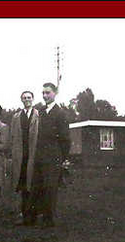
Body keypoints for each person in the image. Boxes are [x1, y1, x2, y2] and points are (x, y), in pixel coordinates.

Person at [25, 83, 70, 228]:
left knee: (50, 188)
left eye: (48, 93)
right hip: (39, 156)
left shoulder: (60, 113)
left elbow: (65, 139)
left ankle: (48, 220)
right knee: (36, 186)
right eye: (43, 93)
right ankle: (31, 218)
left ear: (55, 93)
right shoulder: (40, 112)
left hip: (53, 157)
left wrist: (63, 158)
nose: (45, 96)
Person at [9, 90, 40, 225]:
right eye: (24, 98)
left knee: (33, 185)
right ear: (21, 100)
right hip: (20, 156)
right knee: (22, 185)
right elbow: (12, 137)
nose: (27, 100)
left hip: (33, 154)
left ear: (33, 99)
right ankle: (22, 214)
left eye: (29, 97)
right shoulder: (16, 117)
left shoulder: (39, 115)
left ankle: (32, 215)